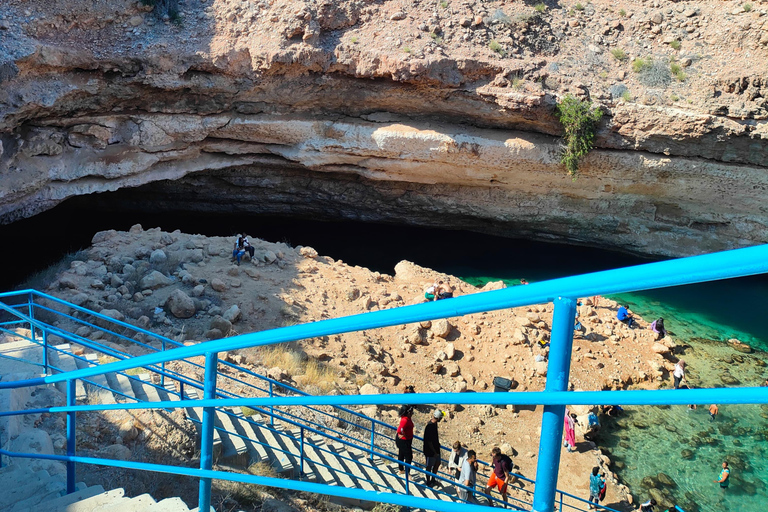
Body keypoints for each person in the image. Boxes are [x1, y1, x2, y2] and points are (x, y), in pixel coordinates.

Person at [423, 409, 443, 487]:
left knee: (437, 463)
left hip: (436, 449)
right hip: (430, 451)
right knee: (429, 466)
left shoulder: (434, 424)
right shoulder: (429, 427)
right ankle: (428, 481)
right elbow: (429, 441)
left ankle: (433, 479)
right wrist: (434, 452)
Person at [395, 405, 414, 474]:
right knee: (409, 457)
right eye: (411, 412)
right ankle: (407, 473)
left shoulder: (408, 418)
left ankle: (401, 469)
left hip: (405, 440)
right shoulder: (405, 420)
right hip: (404, 441)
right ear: (408, 412)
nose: (412, 414)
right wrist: (404, 434)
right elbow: (400, 430)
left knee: (401, 454)